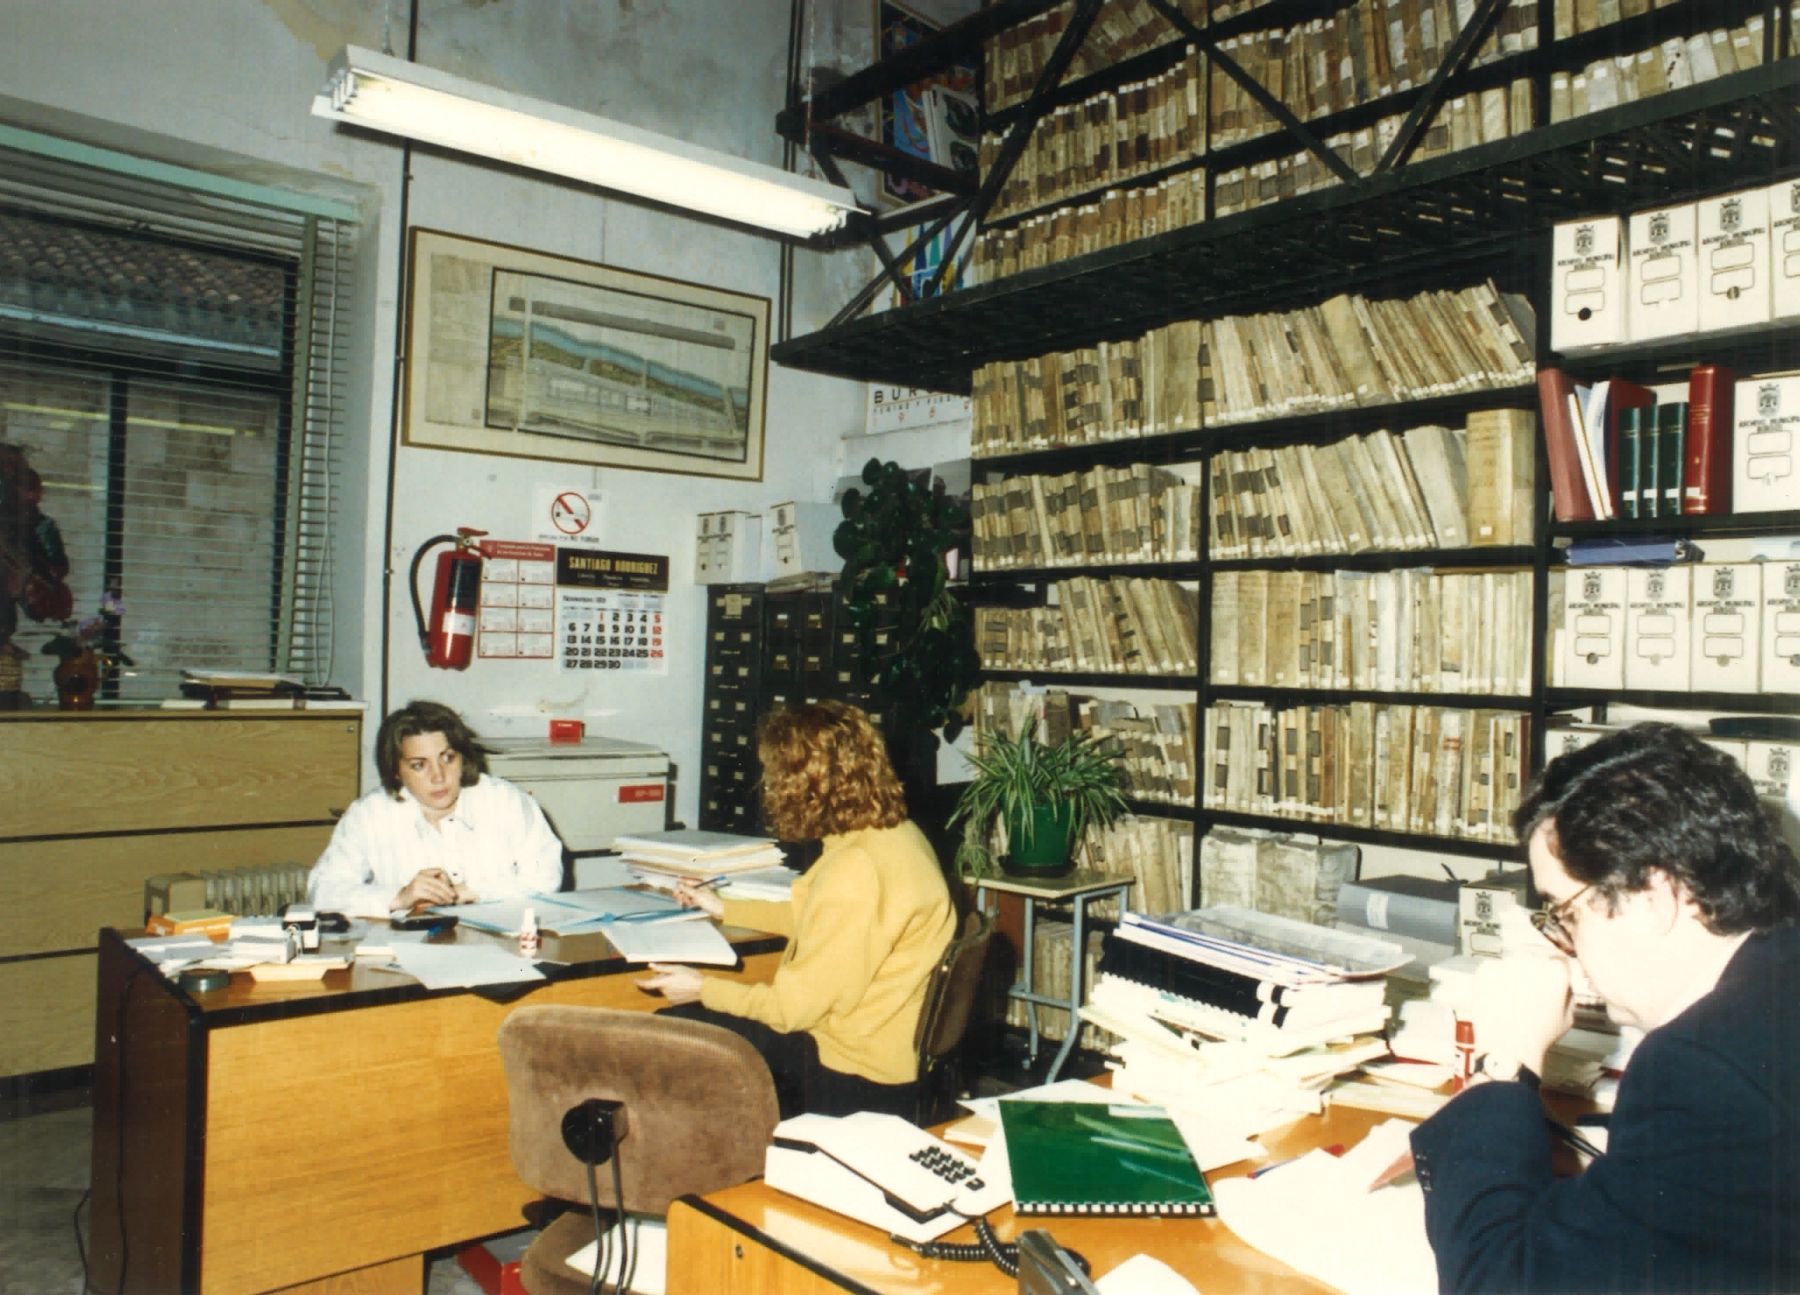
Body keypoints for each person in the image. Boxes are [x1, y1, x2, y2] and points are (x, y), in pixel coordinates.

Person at [1410, 722, 1800, 1294]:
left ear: (1655, 897)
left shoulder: (1698, 1067)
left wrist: (1506, 1061)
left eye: (1564, 913)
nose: (1560, 942)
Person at [638, 701, 957, 1118]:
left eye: (774, 776)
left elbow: (791, 1010)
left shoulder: (855, 868)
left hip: (852, 1075)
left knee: (665, 1030)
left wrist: (701, 989)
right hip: (886, 1055)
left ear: (804, 786)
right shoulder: (894, 835)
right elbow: (831, 924)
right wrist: (724, 907)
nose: (768, 787)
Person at [307, 700, 565, 917]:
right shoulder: (369, 815)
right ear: (396, 771)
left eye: (448, 758)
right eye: (419, 765)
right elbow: (324, 890)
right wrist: (400, 897)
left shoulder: (504, 800)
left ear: (463, 757)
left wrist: (469, 892)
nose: (438, 777)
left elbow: (546, 877)